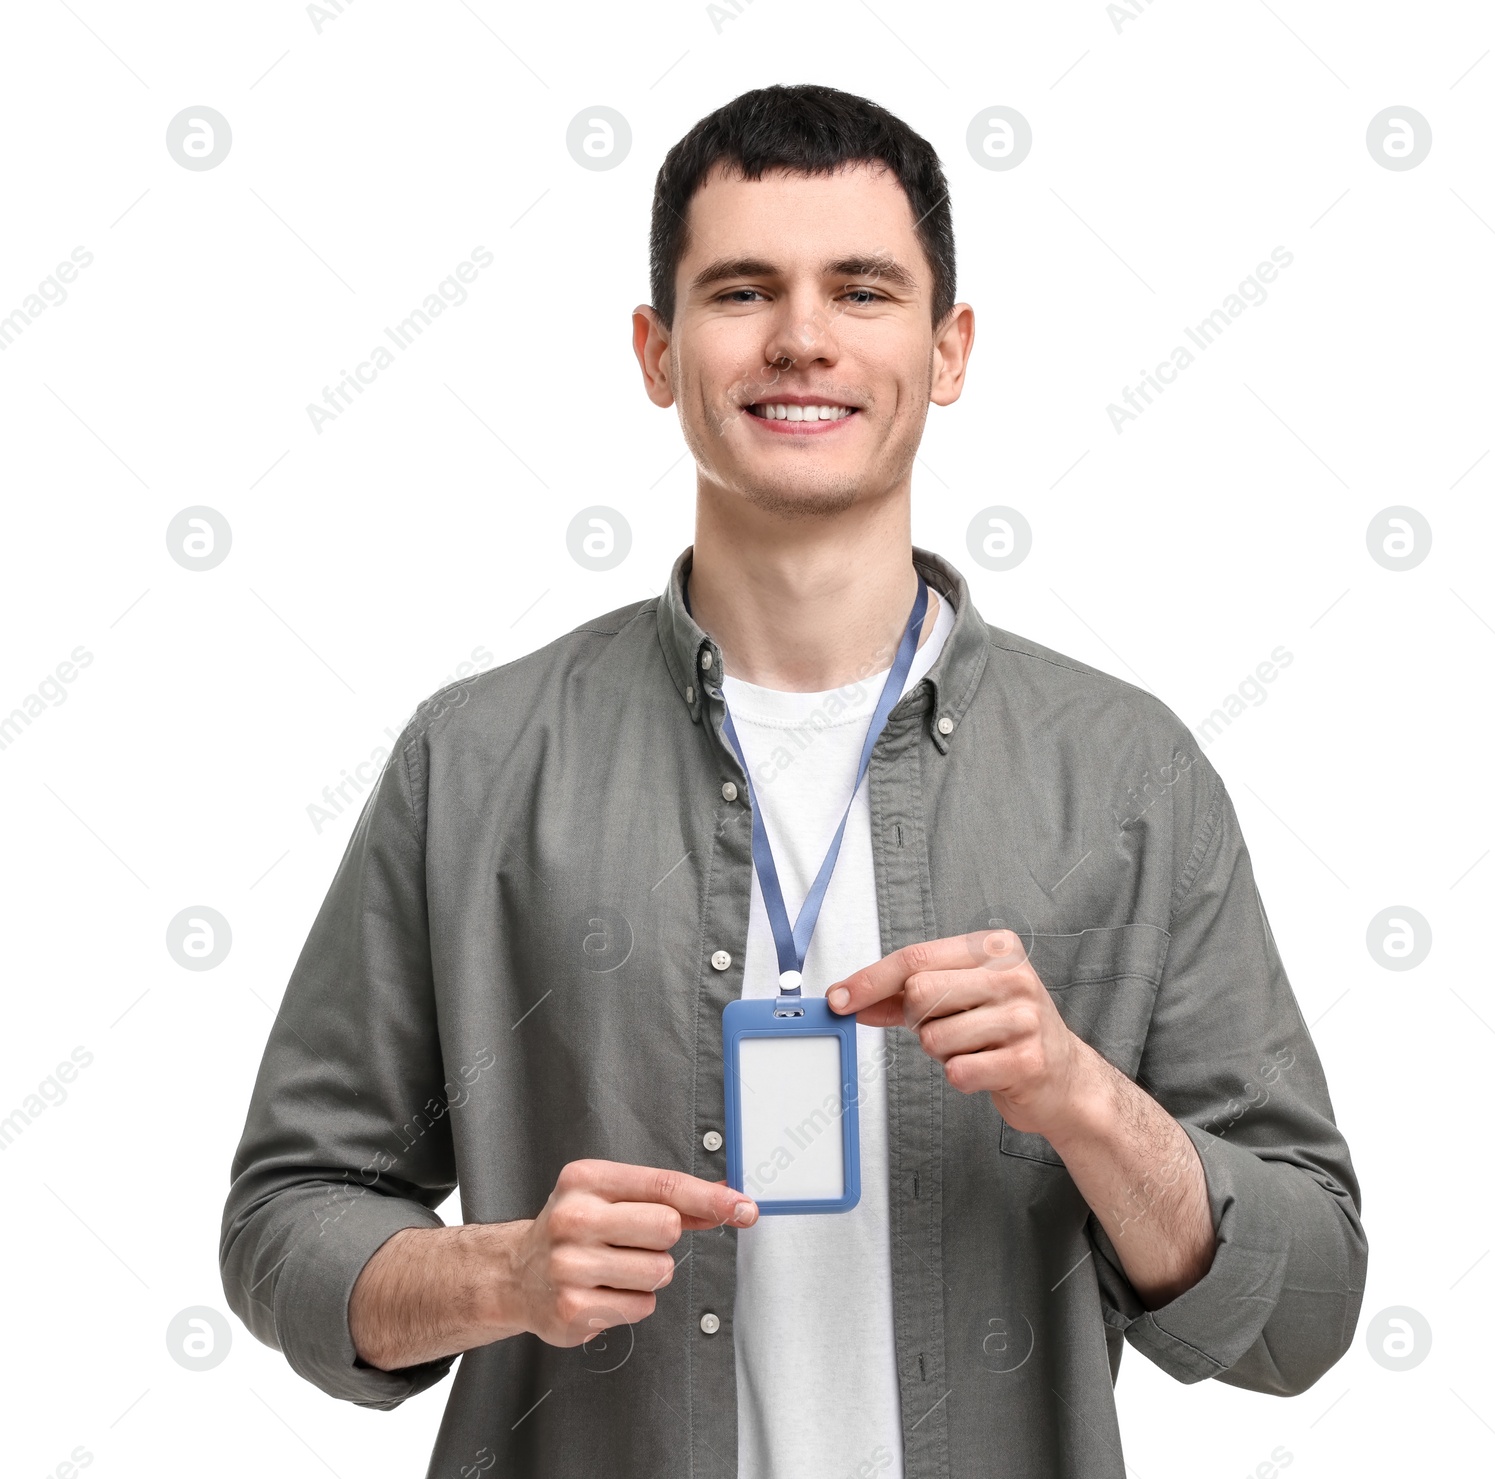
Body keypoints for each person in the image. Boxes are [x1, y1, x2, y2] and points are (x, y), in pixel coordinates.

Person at [220, 82, 1366, 1479]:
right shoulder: (474, 762)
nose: (803, 339)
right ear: (658, 351)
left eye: (864, 290)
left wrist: (1083, 1095)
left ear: (949, 350)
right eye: (743, 290)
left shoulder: (1128, 773)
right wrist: (508, 1274)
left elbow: (1304, 1309)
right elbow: (288, 1218)